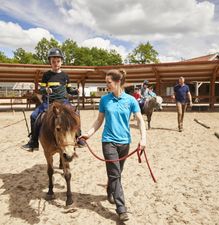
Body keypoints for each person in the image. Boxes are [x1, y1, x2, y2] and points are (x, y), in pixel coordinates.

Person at [79, 69, 146, 222]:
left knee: (116, 173)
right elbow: (99, 120)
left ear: (117, 82)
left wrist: (143, 139)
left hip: (125, 143)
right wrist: (88, 133)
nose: (106, 85)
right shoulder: (104, 100)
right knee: (115, 174)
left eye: (108, 82)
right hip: (108, 141)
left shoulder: (131, 100)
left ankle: (110, 189)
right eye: (106, 82)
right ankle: (121, 209)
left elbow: (140, 120)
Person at [22, 47, 85, 151]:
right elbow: (41, 89)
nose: (56, 63)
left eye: (58, 61)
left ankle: (79, 138)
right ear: (50, 62)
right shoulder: (46, 75)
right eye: (53, 61)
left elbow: (69, 90)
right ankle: (33, 142)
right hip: (49, 102)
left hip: (64, 102)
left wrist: (76, 91)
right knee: (34, 116)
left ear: (62, 62)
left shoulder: (65, 76)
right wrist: (46, 90)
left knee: (76, 113)